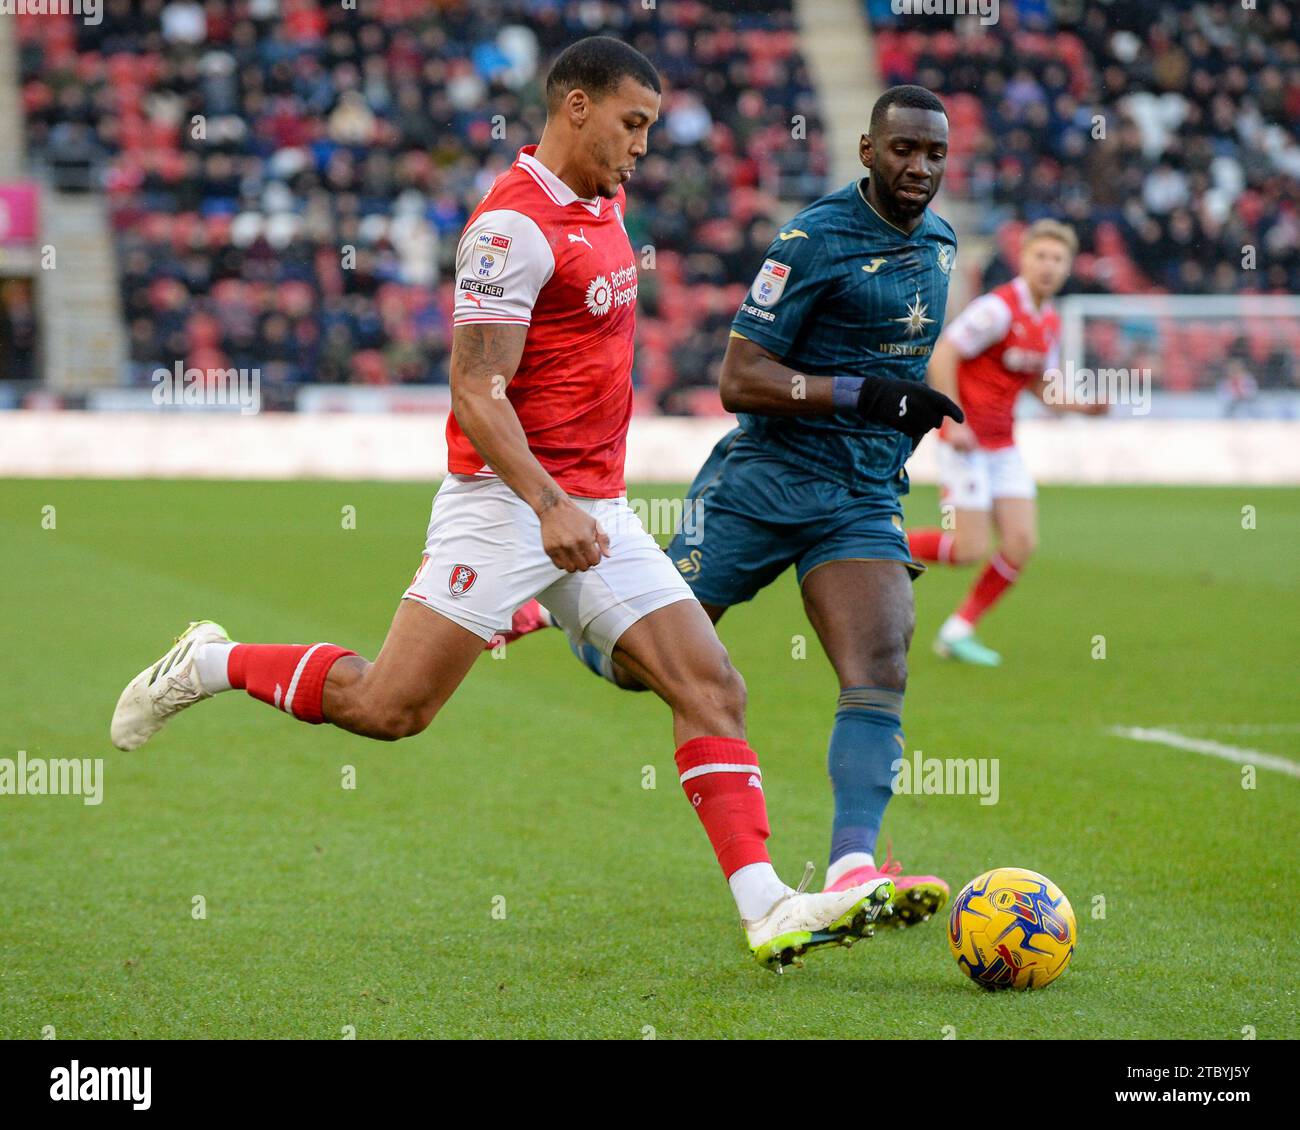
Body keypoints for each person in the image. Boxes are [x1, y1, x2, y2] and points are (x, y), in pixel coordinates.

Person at [109, 37, 892, 972]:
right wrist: (549, 503)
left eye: (648, 125)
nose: (643, 144)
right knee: (389, 708)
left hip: (595, 509)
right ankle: (212, 660)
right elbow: (476, 391)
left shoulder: (603, 197)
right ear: (575, 108)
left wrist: (580, 505)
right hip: (505, 504)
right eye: (631, 123)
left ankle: (768, 907)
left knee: (711, 686)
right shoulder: (508, 230)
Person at [529, 85, 964, 927]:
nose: (919, 167)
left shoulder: (942, 244)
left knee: (882, 665)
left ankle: (850, 869)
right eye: (903, 149)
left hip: (859, 494)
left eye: (934, 154)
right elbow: (739, 379)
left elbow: (895, 370)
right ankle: (562, 611)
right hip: (762, 481)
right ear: (868, 150)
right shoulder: (811, 241)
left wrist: (902, 415)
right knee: (636, 667)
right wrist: (863, 395)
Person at [908, 219, 1104, 665]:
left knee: (1021, 542)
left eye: (1057, 259)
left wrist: (1083, 406)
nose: (1048, 266)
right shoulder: (998, 309)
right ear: (1024, 259)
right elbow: (945, 352)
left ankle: (958, 630)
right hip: (966, 440)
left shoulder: (1049, 320)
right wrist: (951, 419)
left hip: (1003, 445)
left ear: (1068, 266)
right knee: (967, 549)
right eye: (1041, 256)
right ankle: (882, 542)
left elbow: (1040, 387)